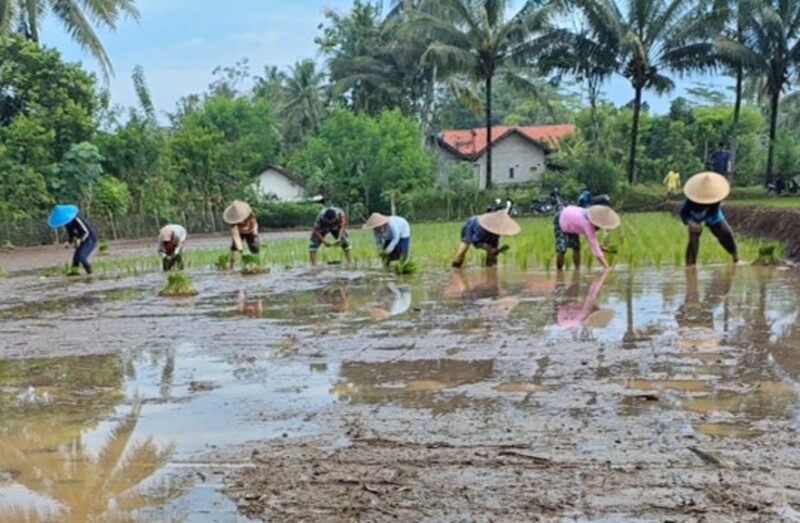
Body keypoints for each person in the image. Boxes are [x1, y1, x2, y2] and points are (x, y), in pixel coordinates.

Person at [680, 171, 738, 266]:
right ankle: (690, 267)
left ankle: (735, 257)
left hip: (712, 216)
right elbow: (683, 213)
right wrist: (690, 222)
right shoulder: (691, 200)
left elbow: (714, 211)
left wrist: (705, 221)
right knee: (693, 243)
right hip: (694, 217)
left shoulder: (715, 198)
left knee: (726, 234)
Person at [554, 205, 620, 271]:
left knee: (576, 247)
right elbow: (594, 246)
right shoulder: (588, 225)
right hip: (561, 219)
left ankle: (577, 269)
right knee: (561, 249)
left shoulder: (592, 216)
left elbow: (592, 240)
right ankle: (559, 272)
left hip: (573, 221)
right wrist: (607, 267)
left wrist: (599, 246)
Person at [451, 210, 520, 268]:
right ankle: (455, 269)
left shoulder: (498, 229)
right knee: (462, 250)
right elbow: (476, 242)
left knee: (492, 255)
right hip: (471, 226)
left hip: (488, 232)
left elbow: (494, 242)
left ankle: (491, 270)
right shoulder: (480, 226)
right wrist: (489, 248)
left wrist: (495, 250)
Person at [47, 204, 98, 275]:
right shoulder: (67, 224)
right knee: (76, 258)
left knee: (81, 257)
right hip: (82, 240)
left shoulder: (77, 220)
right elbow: (72, 234)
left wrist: (80, 240)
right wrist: (69, 242)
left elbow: (86, 232)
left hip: (90, 239)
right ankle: (74, 272)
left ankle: (90, 272)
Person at [223, 201, 259, 269]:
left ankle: (256, 264)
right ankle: (230, 265)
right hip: (239, 233)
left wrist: (254, 236)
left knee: (254, 247)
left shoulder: (251, 217)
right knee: (234, 248)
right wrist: (241, 251)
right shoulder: (234, 226)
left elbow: (255, 229)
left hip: (251, 232)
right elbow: (237, 239)